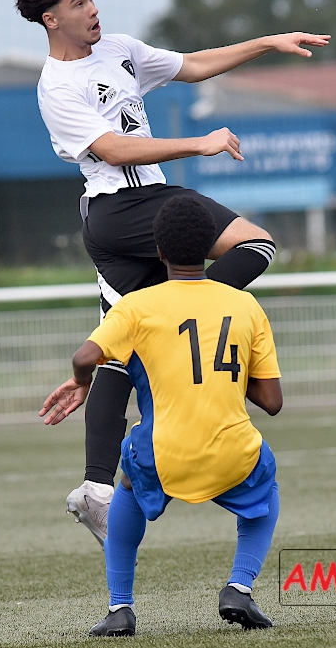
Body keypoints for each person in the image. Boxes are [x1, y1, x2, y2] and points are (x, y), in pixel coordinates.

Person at [17, 0, 326, 543]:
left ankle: (95, 490)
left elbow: (195, 65)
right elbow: (112, 149)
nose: (93, 9)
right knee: (257, 245)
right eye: (79, 3)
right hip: (126, 207)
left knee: (115, 351)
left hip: (121, 219)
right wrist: (198, 143)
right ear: (50, 19)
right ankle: (183, 313)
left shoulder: (120, 50)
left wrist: (268, 42)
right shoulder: (55, 86)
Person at [42, 196, 283, 636]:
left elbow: (85, 356)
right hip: (232, 451)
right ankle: (239, 587)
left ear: (158, 251)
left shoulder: (136, 307)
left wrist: (81, 379)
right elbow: (272, 401)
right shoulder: (245, 305)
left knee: (128, 488)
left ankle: (120, 608)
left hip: (162, 453)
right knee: (265, 493)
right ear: (211, 247)